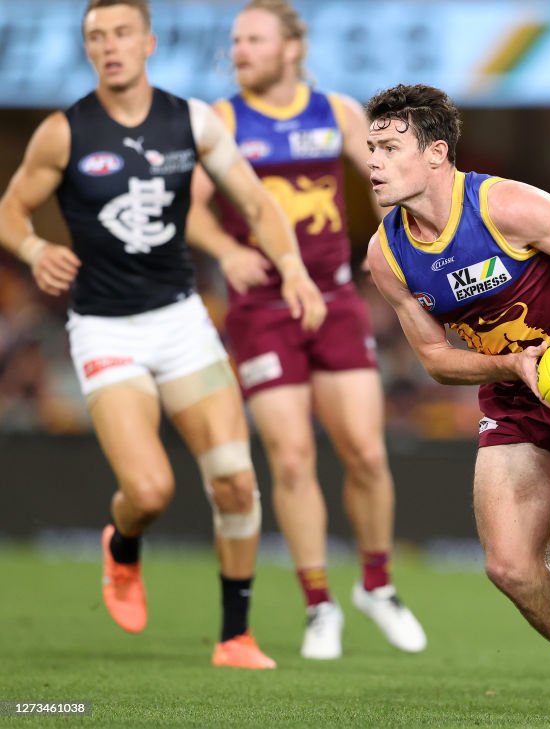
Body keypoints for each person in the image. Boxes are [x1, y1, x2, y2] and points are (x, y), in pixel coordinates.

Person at [0, 0, 326, 669]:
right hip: (105, 327)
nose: (109, 45)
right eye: (96, 36)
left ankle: (235, 635)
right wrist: (34, 251)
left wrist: (292, 265)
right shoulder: (64, 133)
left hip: (180, 321)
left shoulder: (192, 120)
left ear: (148, 42)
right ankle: (122, 545)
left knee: (236, 482)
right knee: (149, 491)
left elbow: (257, 203)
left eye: (121, 33)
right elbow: (10, 209)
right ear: (87, 49)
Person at [364, 83, 550, 721]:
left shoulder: (503, 205)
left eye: (389, 148)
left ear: (435, 153)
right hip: (512, 398)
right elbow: (435, 358)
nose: (372, 162)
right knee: (509, 567)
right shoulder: (386, 253)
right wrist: (510, 364)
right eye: (370, 147)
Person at [186, 0, 425, 659]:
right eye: (236, 40)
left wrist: (396, 234)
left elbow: (385, 184)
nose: (239, 50)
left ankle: (376, 584)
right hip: (261, 309)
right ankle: (320, 602)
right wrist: (226, 250)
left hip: (335, 297)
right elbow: (193, 212)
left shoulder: (339, 112)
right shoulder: (224, 120)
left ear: (293, 46)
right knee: (291, 457)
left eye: (253, 38)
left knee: (367, 451)